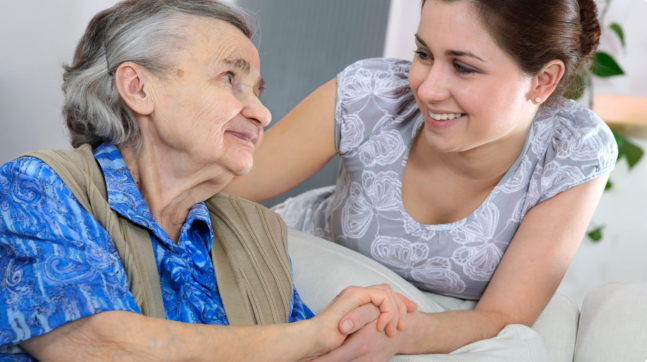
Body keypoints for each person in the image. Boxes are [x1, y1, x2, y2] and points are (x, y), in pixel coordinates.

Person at [0, 1, 417, 361]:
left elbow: (294, 351)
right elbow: (98, 348)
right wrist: (313, 335)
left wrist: (352, 329)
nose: (261, 113)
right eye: (229, 79)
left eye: (257, 90)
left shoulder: (259, 231)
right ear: (138, 88)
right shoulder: (40, 186)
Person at [224, 0, 617, 359]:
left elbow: (501, 316)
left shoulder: (573, 150)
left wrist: (398, 334)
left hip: (428, 324)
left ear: (544, 80)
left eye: (463, 67)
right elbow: (218, 183)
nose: (426, 89)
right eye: (424, 54)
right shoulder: (372, 94)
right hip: (304, 277)